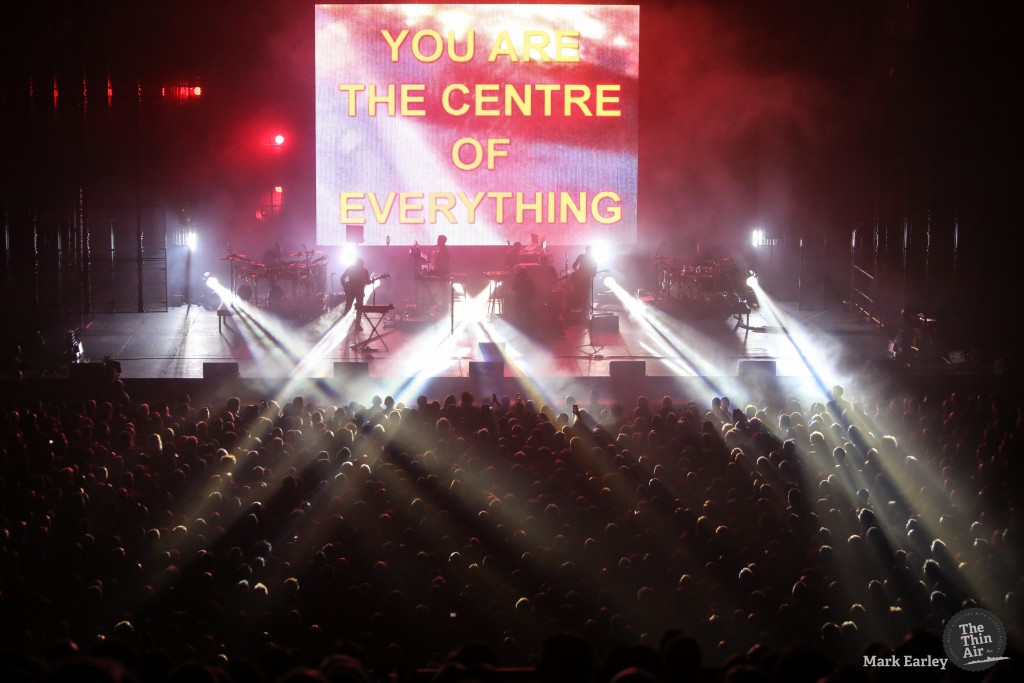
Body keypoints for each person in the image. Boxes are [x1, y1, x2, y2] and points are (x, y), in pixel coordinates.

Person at [342, 258, 371, 329]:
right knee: (358, 308)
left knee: (349, 307)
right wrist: (371, 281)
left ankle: (346, 324)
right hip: (358, 292)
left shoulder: (351, 269)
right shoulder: (364, 271)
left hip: (352, 292)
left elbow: (342, 278)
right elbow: (368, 282)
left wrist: (345, 287)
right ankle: (356, 325)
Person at [570, 245, 597, 313]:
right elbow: (595, 266)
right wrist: (593, 273)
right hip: (584, 277)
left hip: (584, 277)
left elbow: (574, 266)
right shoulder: (588, 257)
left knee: (583, 293)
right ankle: (582, 309)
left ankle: (582, 309)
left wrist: (593, 272)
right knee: (584, 293)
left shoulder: (582, 256)